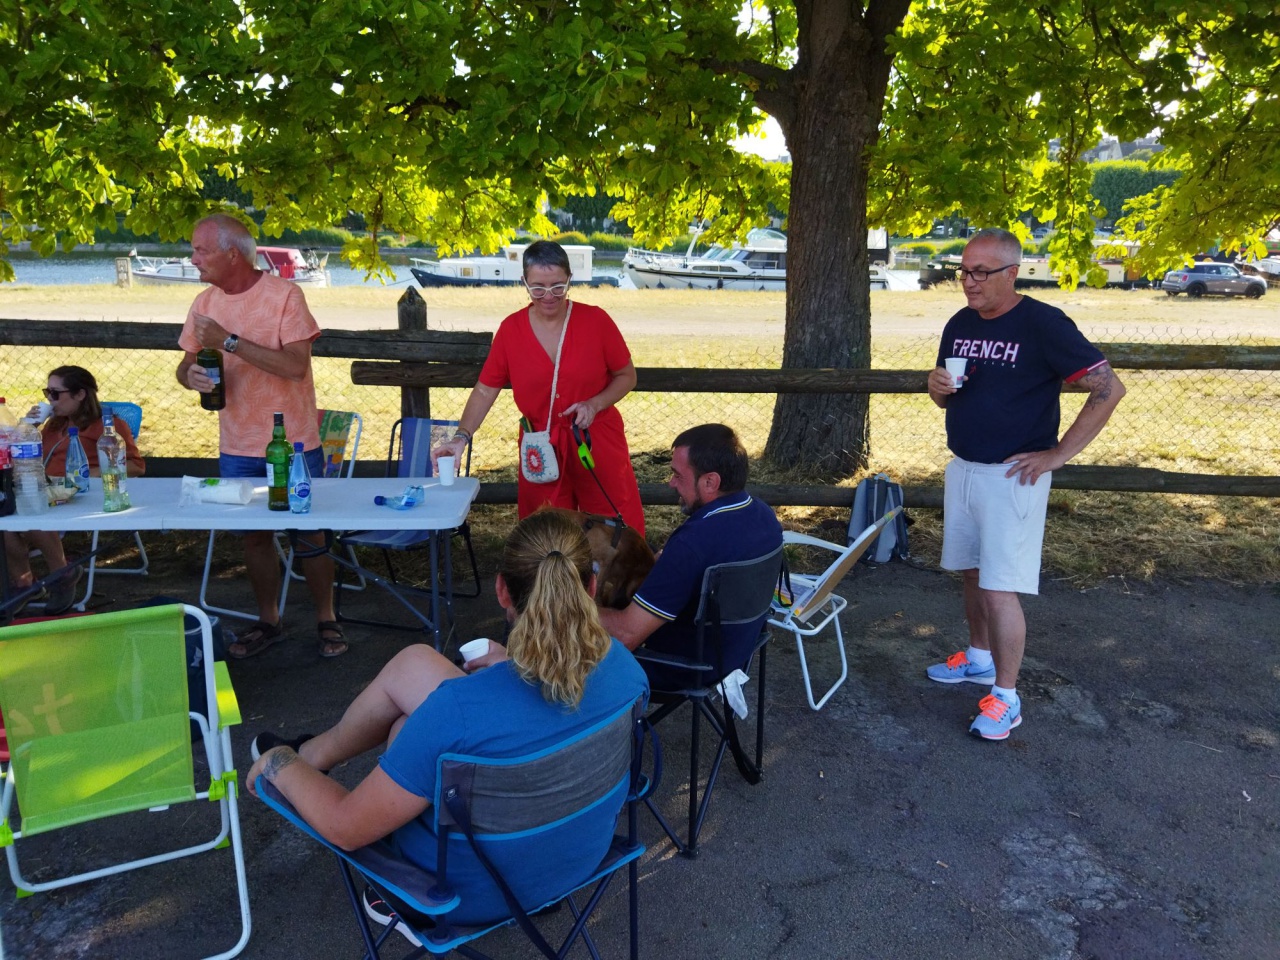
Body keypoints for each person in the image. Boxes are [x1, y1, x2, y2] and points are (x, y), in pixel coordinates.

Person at [246, 510, 648, 934]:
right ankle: (315, 755)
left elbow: (346, 830)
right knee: (415, 671)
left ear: (502, 592)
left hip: (460, 895)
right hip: (577, 863)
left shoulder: (453, 712)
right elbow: (556, 704)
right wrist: (511, 665)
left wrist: (279, 762)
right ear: (589, 587)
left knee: (409, 729)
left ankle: (304, 759)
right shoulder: (627, 671)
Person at [925, 227, 1125, 741]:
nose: (968, 282)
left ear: (1012, 273)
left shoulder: (1043, 323)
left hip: (1012, 477)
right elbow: (948, 394)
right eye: (963, 271)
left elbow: (1108, 387)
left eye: (980, 273)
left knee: (999, 587)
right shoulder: (960, 322)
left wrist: (1058, 455)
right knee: (971, 573)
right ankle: (977, 659)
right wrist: (936, 387)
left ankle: (1007, 699)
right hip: (964, 468)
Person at [175, 214, 346, 658]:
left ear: (232, 253)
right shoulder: (203, 302)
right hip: (236, 443)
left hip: (292, 440)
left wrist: (230, 341)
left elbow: (295, 366)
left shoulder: (285, 294)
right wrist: (189, 374)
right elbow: (184, 363)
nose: (193, 259)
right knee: (253, 536)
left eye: (200, 250)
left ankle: (327, 618)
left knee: (308, 532)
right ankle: (269, 620)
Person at [430, 240, 645, 534]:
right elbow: (484, 391)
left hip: (596, 440)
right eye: (538, 288)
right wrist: (460, 438)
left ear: (570, 279)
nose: (548, 296)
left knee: (614, 526)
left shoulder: (596, 321)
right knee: (544, 531)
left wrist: (594, 404)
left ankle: (615, 582)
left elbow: (627, 376)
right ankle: (550, 583)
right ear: (524, 283)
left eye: (558, 286)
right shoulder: (510, 330)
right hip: (540, 446)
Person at [597, 424, 782, 687]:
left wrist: (567, 605)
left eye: (677, 475)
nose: (671, 483)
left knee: (562, 632)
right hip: (738, 652)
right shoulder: (764, 515)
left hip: (682, 666)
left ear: (710, 481)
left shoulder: (692, 544)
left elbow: (627, 635)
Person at [4, 365, 145, 615]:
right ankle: (25, 584)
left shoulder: (107, 425)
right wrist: (27, 426)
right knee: (7, 522)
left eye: (56, 394)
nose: (49, 400)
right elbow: (20, 457)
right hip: (48, 490)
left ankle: (62, 573)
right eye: (47, 393)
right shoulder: (50, 425)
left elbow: (136, 466)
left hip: (81, 496)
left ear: (80, 394)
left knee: (32, 517)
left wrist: (86, 473)